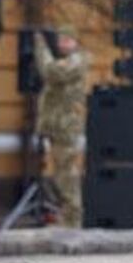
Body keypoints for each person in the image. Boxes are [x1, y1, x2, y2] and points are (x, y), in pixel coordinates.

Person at [33, 28, 90, 227]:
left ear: (75, 42)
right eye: (60, 39)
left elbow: (52, 72)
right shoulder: (66, 60)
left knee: (66, 175)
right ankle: (67, 218)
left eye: (67, 39)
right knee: (60, 173)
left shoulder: (77, 60)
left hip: (66, 128)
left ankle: (72, 221)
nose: (62, 43)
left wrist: (41, 48)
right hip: (57, 127)